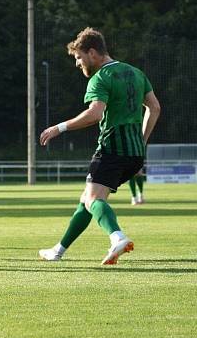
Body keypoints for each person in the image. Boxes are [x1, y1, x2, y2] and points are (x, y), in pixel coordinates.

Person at [38, 28, 160, 265]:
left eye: (79, 57)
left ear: (92, 52)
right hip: (134, 153)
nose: (77, 63)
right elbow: (154, 108)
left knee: (93, 199)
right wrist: (142, 141)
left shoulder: (100, 77)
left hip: (111, 149)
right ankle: (58, 250)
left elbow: (95, 114)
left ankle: (117, 237)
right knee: (88, 198)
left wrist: (59, 128)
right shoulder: (135, 72)